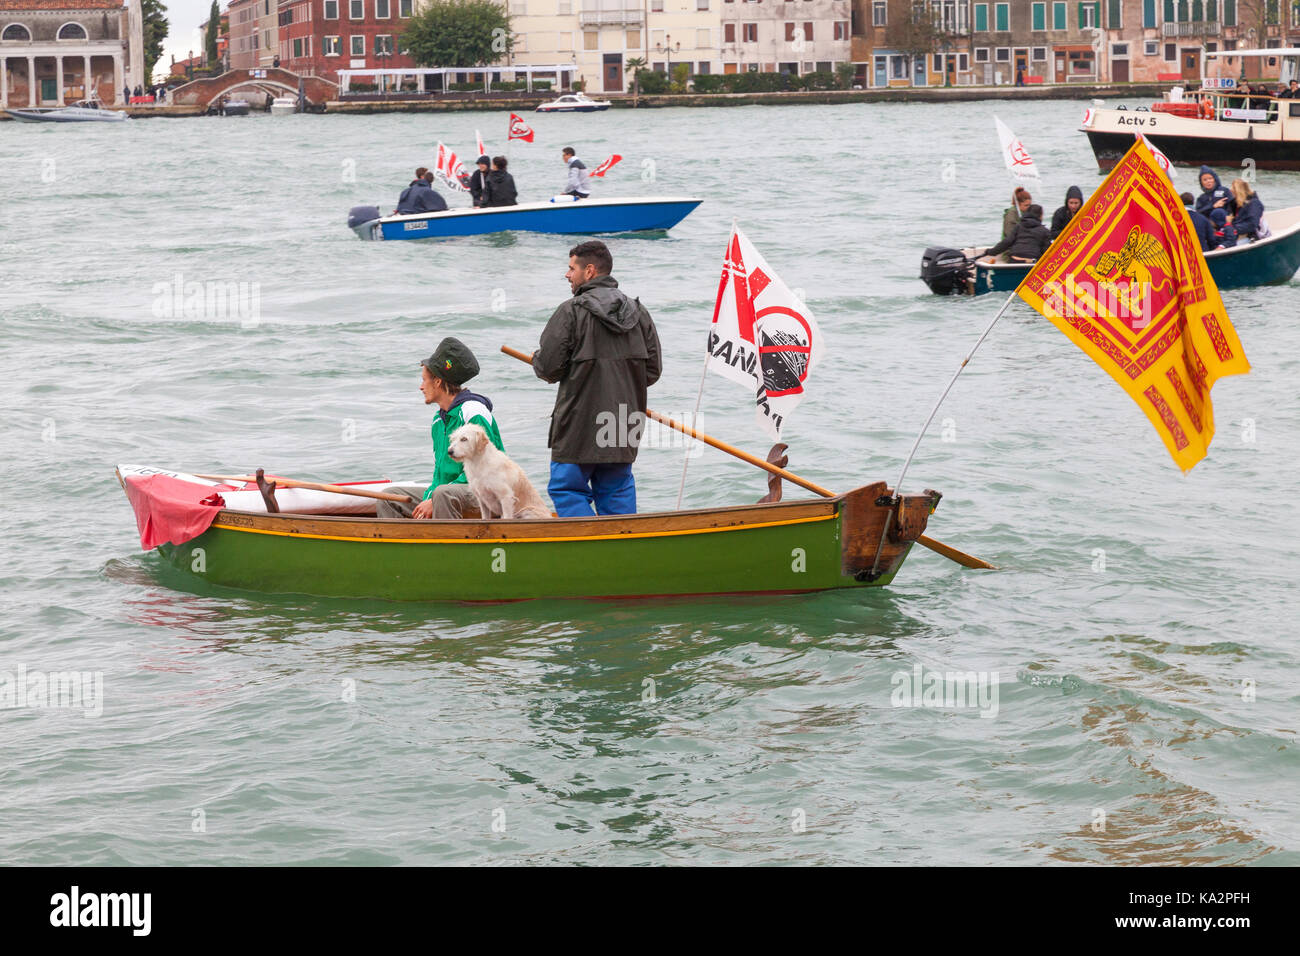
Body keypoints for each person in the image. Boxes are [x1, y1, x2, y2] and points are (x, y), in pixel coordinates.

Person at [532, 240, 662, 517]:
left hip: (579, 422)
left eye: (571, 268)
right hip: (623, 421)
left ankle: (587, 547)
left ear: (589, 271)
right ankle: (621, 548)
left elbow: (548, 368)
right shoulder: (639, 313)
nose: (567, 275)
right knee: (616, 491)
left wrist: (536, 358)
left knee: (567, 489)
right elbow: (652, 371)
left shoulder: (571, 311)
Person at [375, 338, 505, 520]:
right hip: (450, 492)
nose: (421, 387)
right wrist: (428, 498)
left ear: (437, 382)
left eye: (424, 380)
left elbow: (485, 469)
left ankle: (448, 546)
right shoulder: (438, 420)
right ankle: (405, 546)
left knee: (443, 494)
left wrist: (435, 500)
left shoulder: (473, 412)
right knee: (389, 498)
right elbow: (440, 474)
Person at [982, 203, 1050, 262]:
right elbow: (1047, 252)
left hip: (1014, 260)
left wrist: (991, 252)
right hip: (1031, 263)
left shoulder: (1019, 227)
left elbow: (1007, 242)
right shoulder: (1045, 231)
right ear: (1040, 216)